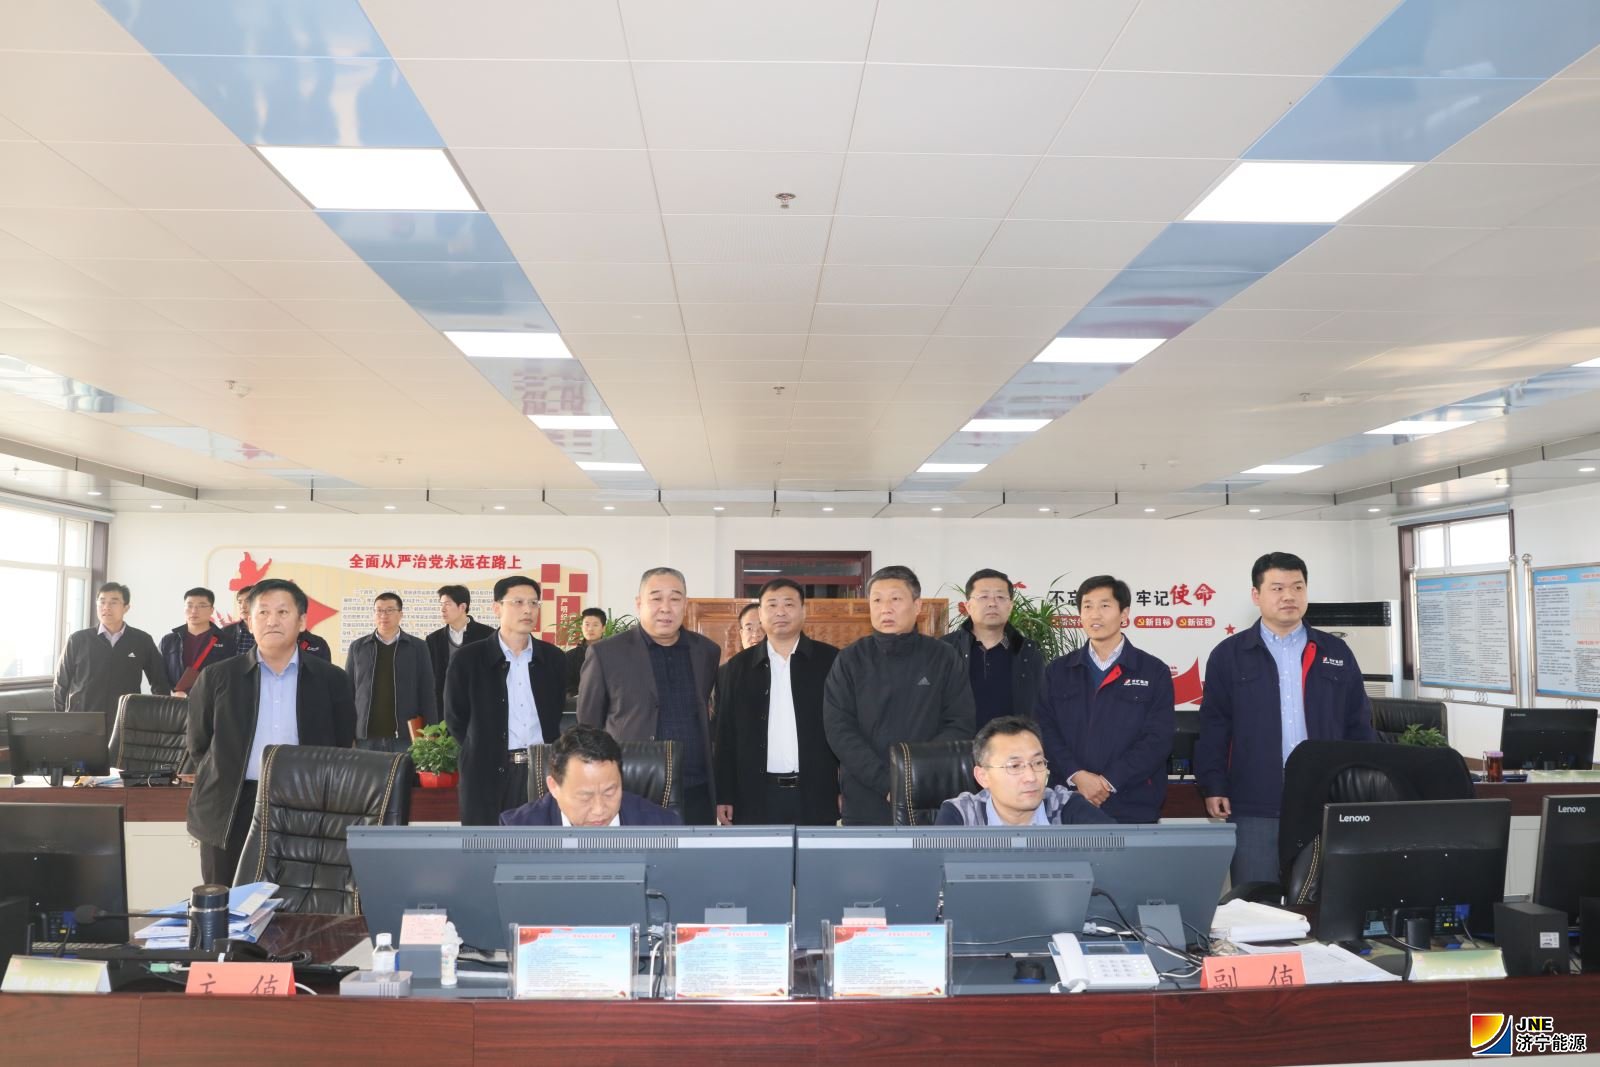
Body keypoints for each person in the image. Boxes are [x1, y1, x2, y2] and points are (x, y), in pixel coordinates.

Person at [1195, 551, 1376, 886]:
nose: (1289, 596)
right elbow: (1215, 726)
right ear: (1256, 595)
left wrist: (1364, 786)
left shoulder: (1335, 652)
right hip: (1255, 799)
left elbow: (1358, 725)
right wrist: (1214, 784)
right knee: (1255, 899)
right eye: (1277, 588)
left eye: (1298, 587)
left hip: (1325, 798)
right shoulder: (1229, 655)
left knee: (1322, 898)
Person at [185, 579, 356, 885]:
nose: (272, 620)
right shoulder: (217, 677)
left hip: (305, 805)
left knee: (298, 897)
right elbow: (199, 743)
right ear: (249, 622)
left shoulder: (332, 680)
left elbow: (341, 744)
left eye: (282, 612)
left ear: (302, 621)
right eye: (262, 612)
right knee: (226, 898)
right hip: (231, 805)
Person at [823, 564, 976, 825]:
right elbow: (839, 730)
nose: (885, 608)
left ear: (917, 606)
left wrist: (916, 776)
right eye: (877, 600)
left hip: (930, 794)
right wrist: (887, 782)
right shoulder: (849, 659)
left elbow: (960, 722)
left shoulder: (943, 657)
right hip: (867, 795)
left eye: (895, 599)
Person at [577, 567, 721, 825]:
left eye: (675, 598)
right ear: (639, 603)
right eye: (656, 598)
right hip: (632, 786)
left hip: (696, 787)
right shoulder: (606, 653)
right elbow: (589, 726)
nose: (666, 608)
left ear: (685, 604)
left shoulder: (707, 651)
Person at [1035, 575, 1174, 824]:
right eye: (1087, 606)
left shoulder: (1153, 671)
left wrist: (1109, 781)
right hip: (1068, 800)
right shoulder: (1057, 671)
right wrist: (1077, 775)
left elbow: (1158, 738)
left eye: (1105, 606)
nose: (1094, 615)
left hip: (1132, 802)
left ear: (1124, 614)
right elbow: (1044, 729)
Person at [715, 579, 841, 826]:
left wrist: (844, 787)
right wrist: (724, 794)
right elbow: (725, 735)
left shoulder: (831, 660)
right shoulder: (737, 667)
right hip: (754, 795)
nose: (780, 612)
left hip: (817, 793)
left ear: (803, 611)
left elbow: (844, 729)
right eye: (772, 605)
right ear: (761, 614)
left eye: (789, 604)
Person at [444, 575, 566, 826]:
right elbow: (456, 718)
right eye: (518, 602)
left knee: (541, 844)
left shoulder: (553, 658)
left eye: (534, 603)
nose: (528, 610)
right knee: (487, 843)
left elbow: (556, 711)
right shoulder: (468, 659)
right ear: (497, 608)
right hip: (486, 772)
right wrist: (483, 748)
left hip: (542, 771)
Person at [936, 716, 1114, 826]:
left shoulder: (1066, 808)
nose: (1031, 777)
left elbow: (1118, 856)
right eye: (1015, 766)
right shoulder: (961, 816)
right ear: (983, 777)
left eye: (1037, 763)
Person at [498, 725, 682, 827]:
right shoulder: (517, 832)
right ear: (554, 786)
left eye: (610, 792)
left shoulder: (663, 827)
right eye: (585, 797)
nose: (599, 810)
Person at [940, 568, 1043, 729]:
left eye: (1000, 597)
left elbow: (1039, 709)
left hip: (1013, 743)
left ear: (1010, 606)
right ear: (968, 606)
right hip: (959, 743)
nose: (992, 603)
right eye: (983, 597)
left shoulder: (1028, 652)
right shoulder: (945, 649)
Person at [53, 582, 169, 715]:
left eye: (113, 602)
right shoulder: (77, 639)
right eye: (102, 602)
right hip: (83, 718)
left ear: (126, 607)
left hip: (125, 718)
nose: (106, 607)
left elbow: (160, 682)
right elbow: (61, 682)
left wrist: (160, 716)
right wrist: (60, 719)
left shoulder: (142, 640)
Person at [347, 593, 437, 752]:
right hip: (365, 738)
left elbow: (427, 691)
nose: (384, 615)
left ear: (400, 614)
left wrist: (431, 732)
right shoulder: (358, 647)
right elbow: (348, 692)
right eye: (379, 610)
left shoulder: (417, 647)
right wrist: (347, 734)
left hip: (406, 737)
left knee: (404, 770)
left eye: (389, 610)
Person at [426, 584, 493, 711]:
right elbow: (429, 678)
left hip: (478, 706)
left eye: (447, 604)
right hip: (443, 709)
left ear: (462, 607)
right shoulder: (433, 639)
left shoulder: (488, 635)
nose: (442, 609)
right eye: (441, 604)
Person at [158, 586, 236, 695]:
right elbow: (158, 675)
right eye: (189, 606)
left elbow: (230, 676)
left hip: (211, 701)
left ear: (211, 610)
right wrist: (170, 695)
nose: (194, 611)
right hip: (175, 701)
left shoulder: (226, 641)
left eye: (202, 606)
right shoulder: (169, 641)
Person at [565, 607, 607, 697]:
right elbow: (566, 685)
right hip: (578, 702)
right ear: (581, 627)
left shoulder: (613, 654)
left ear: (603, 628)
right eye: (587, 624)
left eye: (595, 625)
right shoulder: (570, 656)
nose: (590, 629)